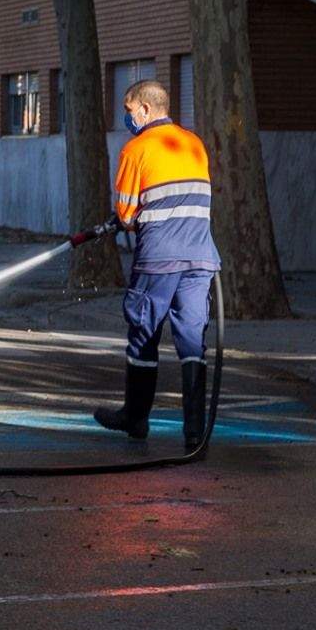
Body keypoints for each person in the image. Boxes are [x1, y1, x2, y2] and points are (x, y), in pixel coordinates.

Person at [93, 78, 222, 451]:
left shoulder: (137, 149)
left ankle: (135, 418)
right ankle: (194, 432)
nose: (127, 118)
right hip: (200, 258)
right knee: (192, 340)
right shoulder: (194, 143)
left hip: (158, 258)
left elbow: (128, 214)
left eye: (129, 111)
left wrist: (124, 217)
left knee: (144, 332)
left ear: (145, 109)